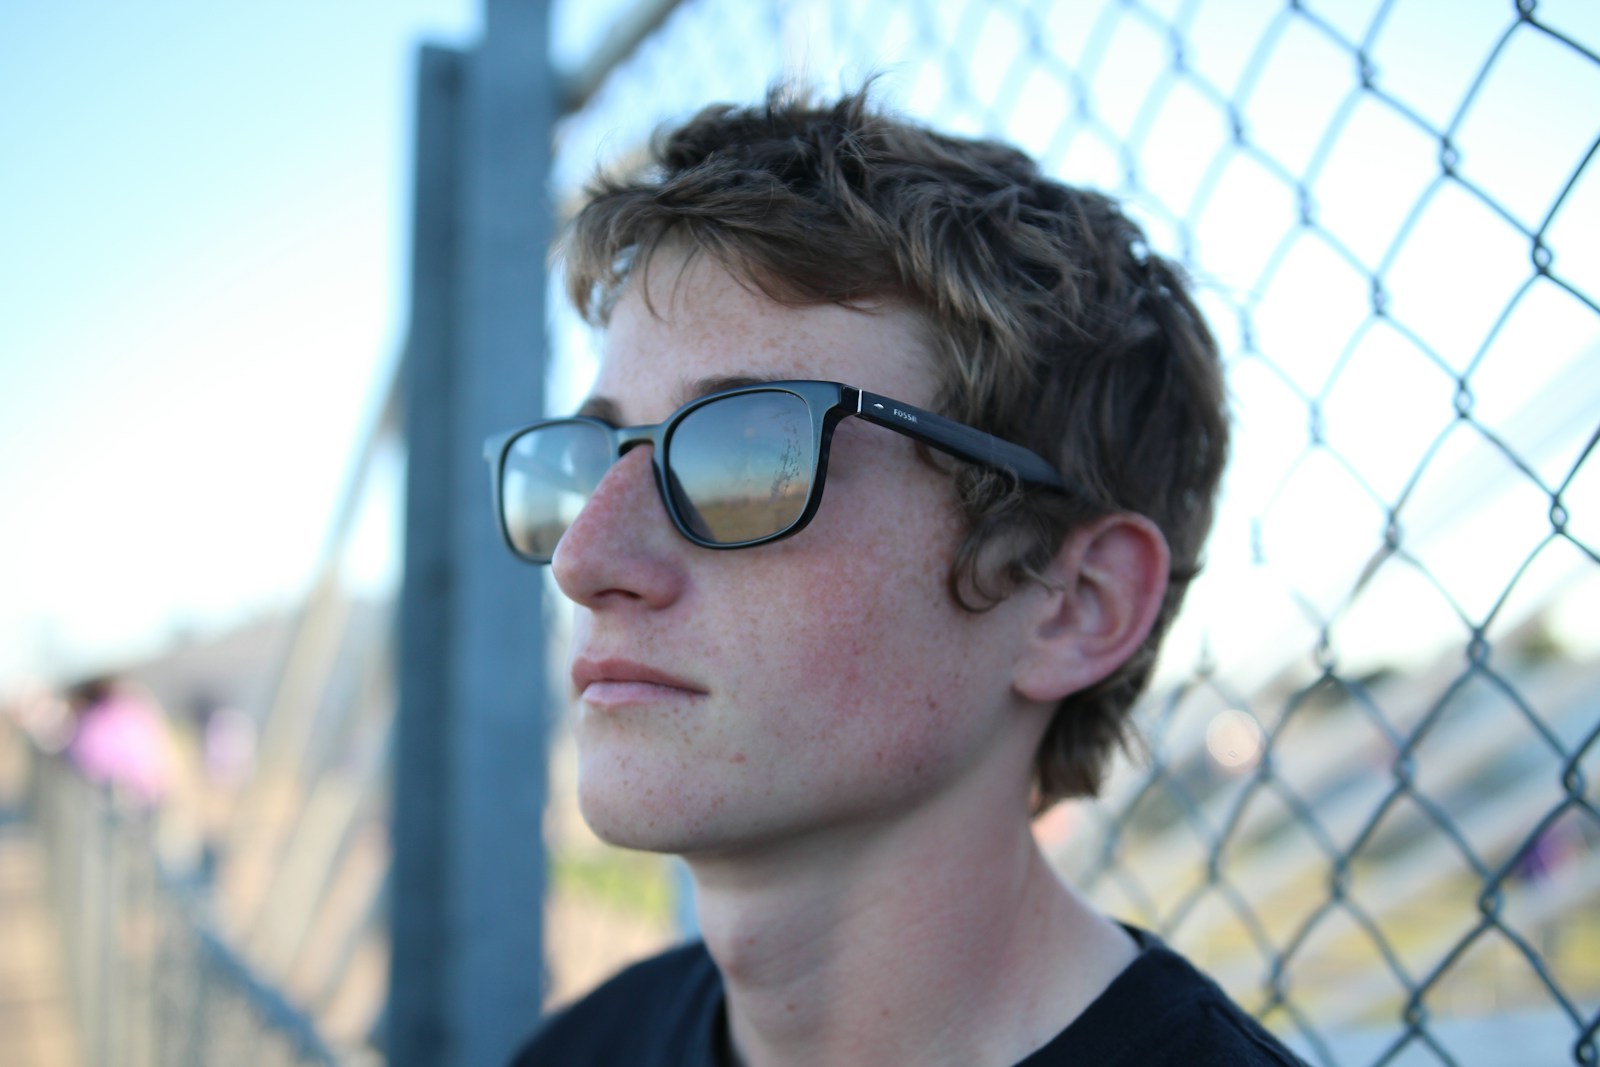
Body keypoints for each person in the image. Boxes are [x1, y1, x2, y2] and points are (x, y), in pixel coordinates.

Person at [493, 87, 1306, 1066]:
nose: (585, 560)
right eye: (593, 457)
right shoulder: (579, 1050)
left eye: (747, 455)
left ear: (1073, 604)